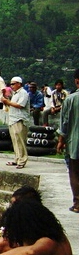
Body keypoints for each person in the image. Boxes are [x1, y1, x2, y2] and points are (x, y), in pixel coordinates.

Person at [58, 68, 79, 213]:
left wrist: (60, 140)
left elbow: (64, 124)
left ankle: (78, 203)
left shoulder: (71, 99)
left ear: (77, 81)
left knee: (75, 173)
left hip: (75, 144)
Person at [2, 77, 30, 169]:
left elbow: (20, 105)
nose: (12, 86)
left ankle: (22, 160)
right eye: (11, 84)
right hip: (13, 119)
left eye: (13, 84)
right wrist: (6, 102)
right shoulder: (15, 94)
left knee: (20, 141)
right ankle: (17, 158)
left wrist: (8, 102)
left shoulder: (23, 93)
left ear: (19, 84)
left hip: (19, 119)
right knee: (15, 140)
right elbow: (12, 105)